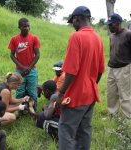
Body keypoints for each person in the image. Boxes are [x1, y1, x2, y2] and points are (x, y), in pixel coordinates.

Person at [55, 6, 105, 150]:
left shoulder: (76, 37)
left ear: (77, 19)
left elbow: (71, 71)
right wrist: (92, 85)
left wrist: (61, 94)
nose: (73, 26)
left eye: (73, 22)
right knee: (84, 131)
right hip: (91, 94)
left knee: (66, 130)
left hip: (76, 96)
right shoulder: (98, 39)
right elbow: (100, 70)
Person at [8, 17, 40, 109]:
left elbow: (37, 55)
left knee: (32, 91)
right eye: (24, 26)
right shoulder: (14, 39)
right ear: (19, 27)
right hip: (19, 71)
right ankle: (20, 109)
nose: (26, 28)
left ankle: (33, 109)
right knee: (20, 91)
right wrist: (22, 67)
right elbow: (12, 55)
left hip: (32, 70)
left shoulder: (34, 38)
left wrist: (29, 68)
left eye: (28, 26)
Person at [106, 13, 131, 118]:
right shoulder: (111, 36)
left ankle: (127, 117)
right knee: (111, 94)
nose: (109, 27)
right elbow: (112, 51)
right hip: (111, 68)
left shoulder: (128, 34)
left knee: (124, 95)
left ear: (118, 23)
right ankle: (112, 114)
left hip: (124, 68)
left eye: (111, 25)